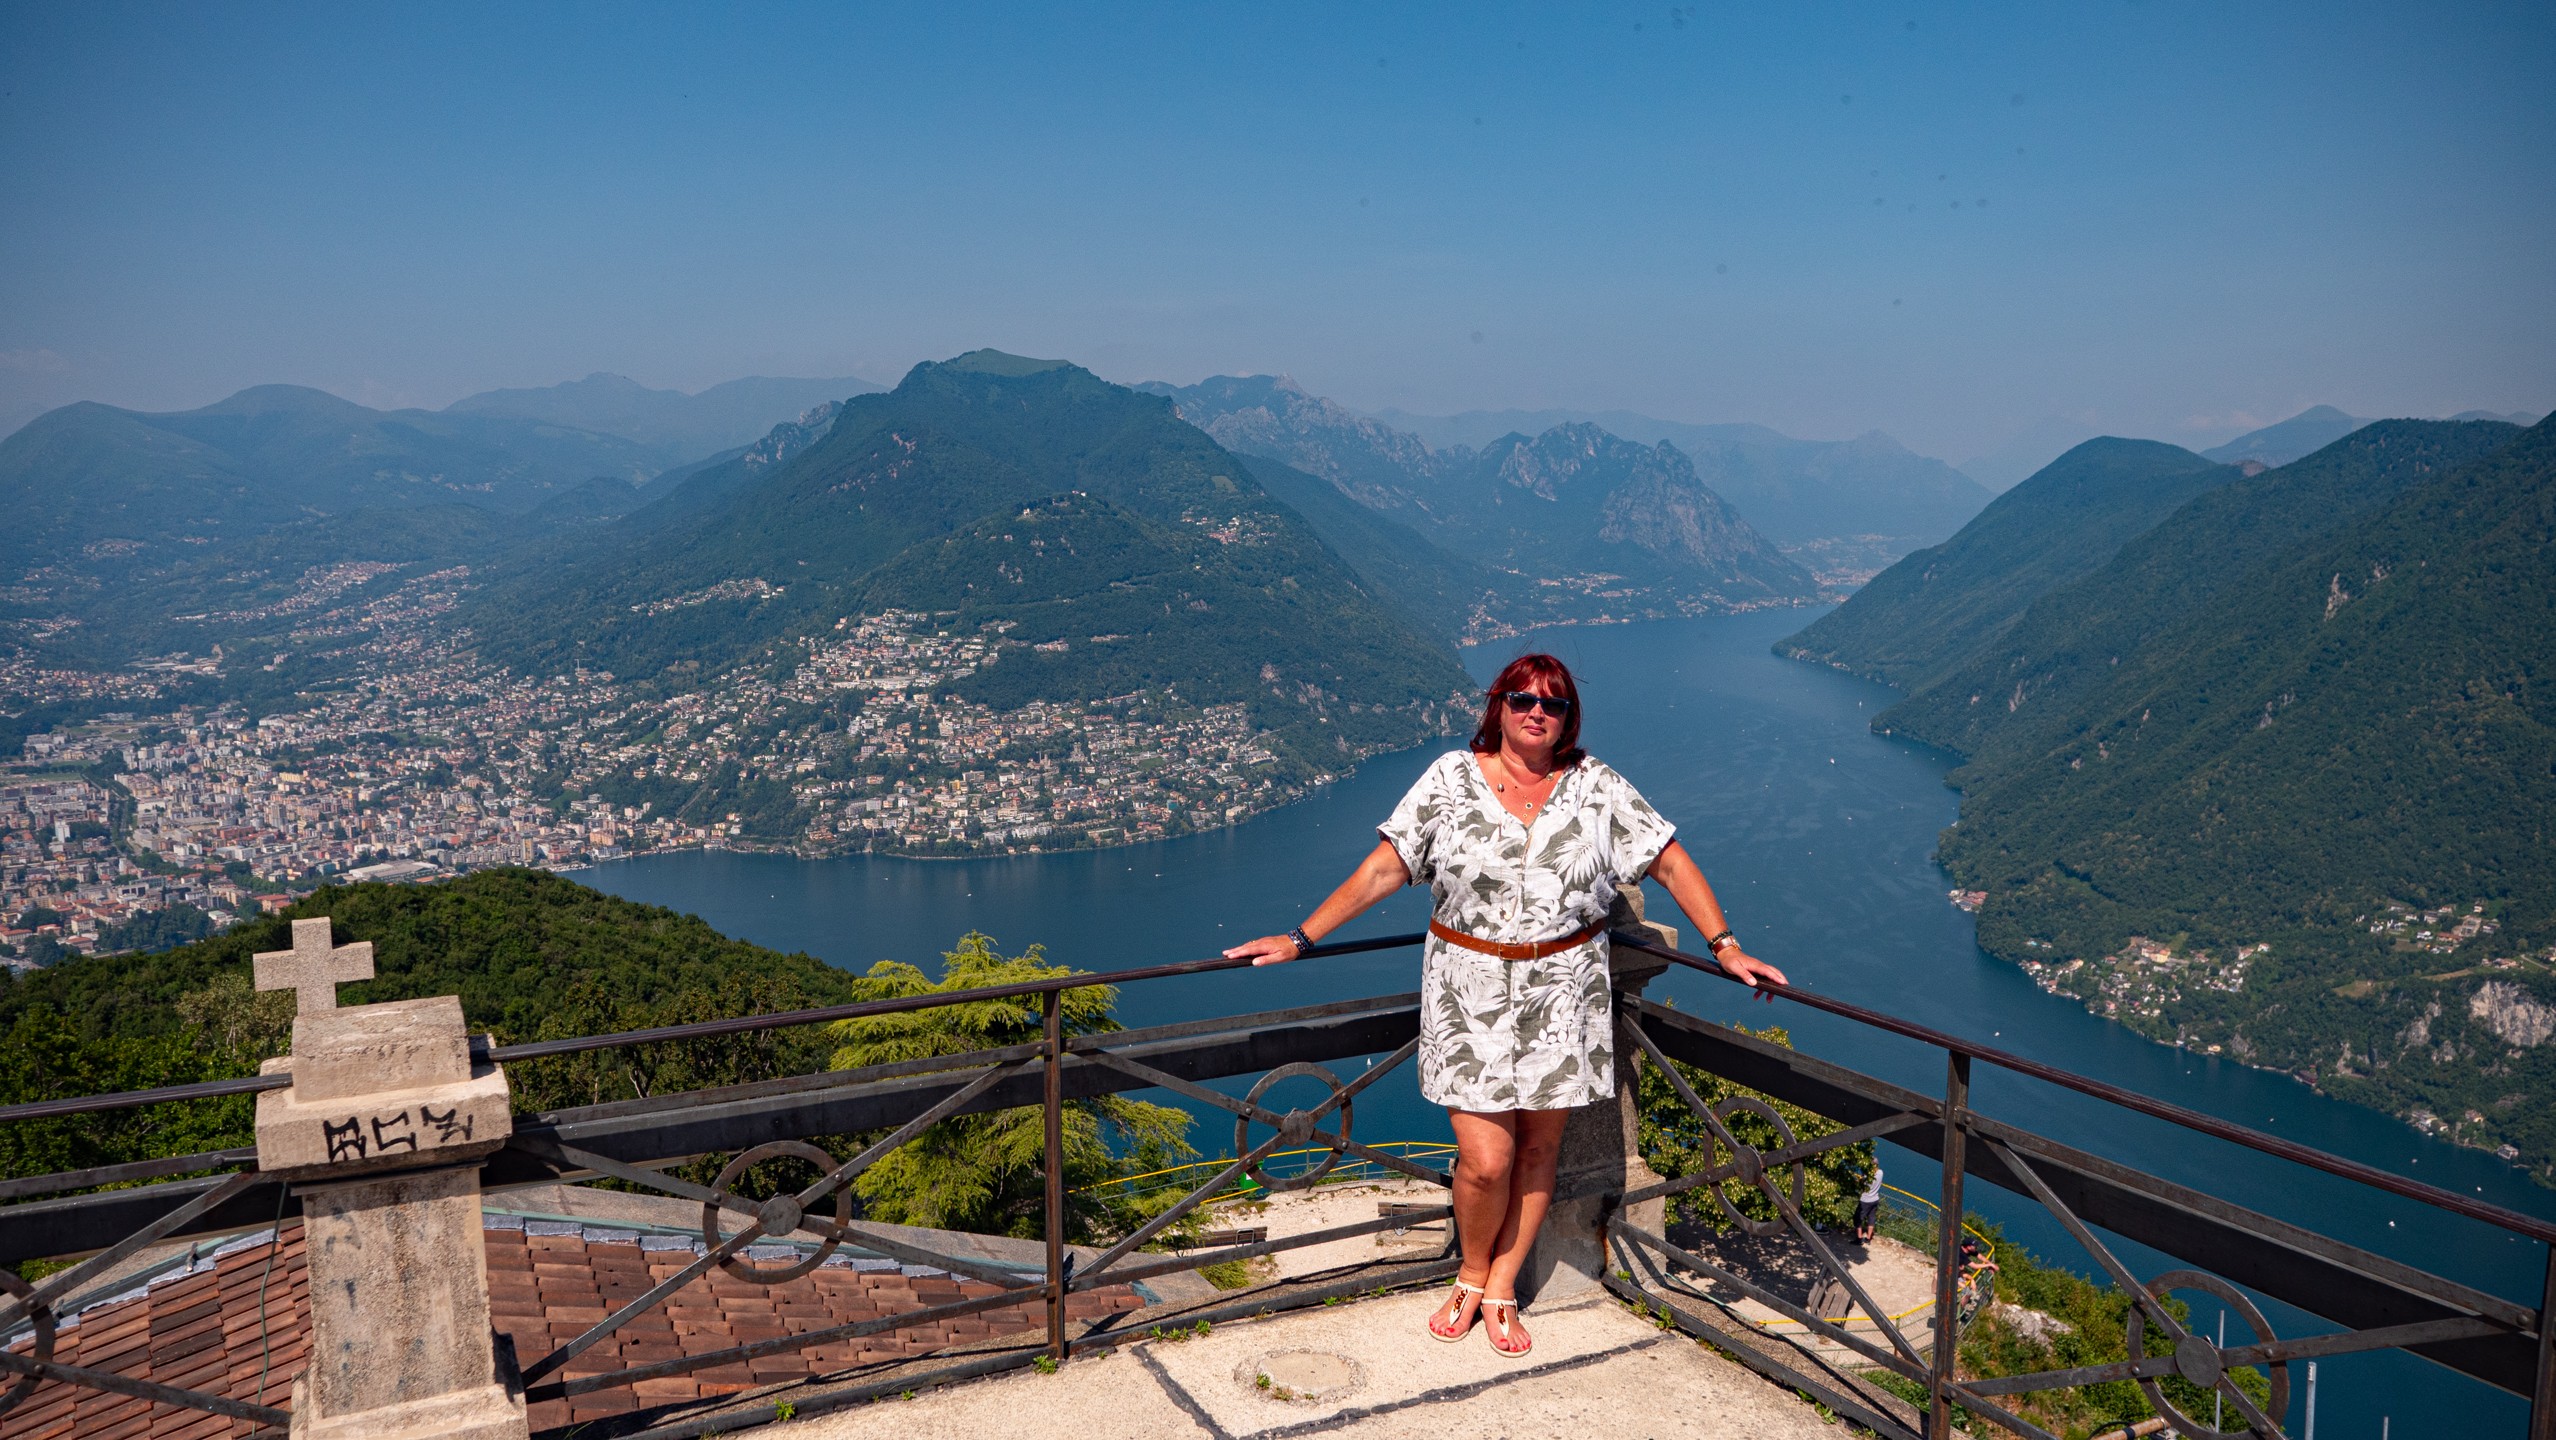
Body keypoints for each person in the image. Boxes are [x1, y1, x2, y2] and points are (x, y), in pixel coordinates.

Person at [1227, 653, 1787, 1359]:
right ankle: (1469, 1271)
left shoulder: (1596, 786)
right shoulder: (1449, 779)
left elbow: (1669, 860)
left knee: (1540, 1150)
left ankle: (1501, 1284)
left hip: (1564, 991)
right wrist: (1301, 937)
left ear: (1568, 718)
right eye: (1522, 698)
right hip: (1468, 992)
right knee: (1487, 1160)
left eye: (1553, 703)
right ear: (1498, 706)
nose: (1536, 712)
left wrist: (1725, 946)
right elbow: (1384, 868)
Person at [1854, 1166, 1884, 1244]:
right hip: (1875, 1199)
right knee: (1871, 1218)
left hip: (1865, 1200)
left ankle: (1859, 1239)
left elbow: (1861, 1184)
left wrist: (1861, 1178)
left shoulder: (1866, 1177)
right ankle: (1868, 1239)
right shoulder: (1880, 1173)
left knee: (1858, 1218)